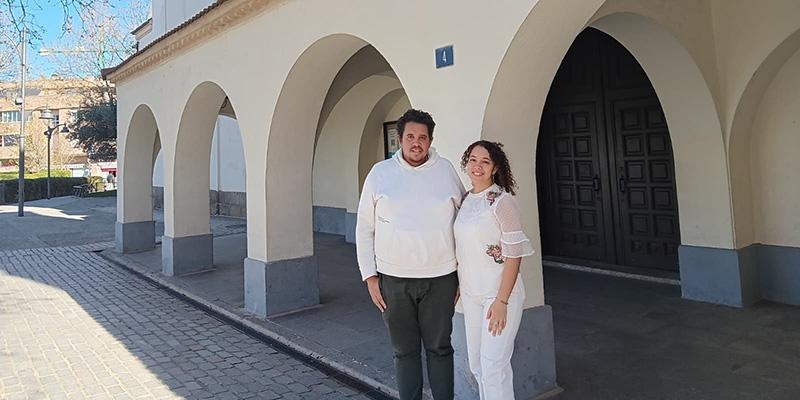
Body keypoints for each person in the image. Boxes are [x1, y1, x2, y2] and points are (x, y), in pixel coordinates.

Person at [356, 108, 465, 400]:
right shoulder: (380, 174)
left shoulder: (446, 172)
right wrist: (369, 276)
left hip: (441, 279)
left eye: (423, 137)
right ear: (400, 139)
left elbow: (465, 224)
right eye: (410, 137)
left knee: (440, 348)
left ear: (430, 140)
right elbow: (364, 227)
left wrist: (462, 276)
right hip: (393, 280)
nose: (416, 143)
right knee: (404, 352)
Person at [454, 140, 534, 400]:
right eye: (473, 160)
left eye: (485, 161)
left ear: (495, 167)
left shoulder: (502, 201)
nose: (477, 166)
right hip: (471, 294)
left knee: (493, 367)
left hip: (498, 296)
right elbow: (466, 249)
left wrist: (501, 301)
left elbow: (514, 254)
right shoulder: (466, 200)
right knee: (477, 365)